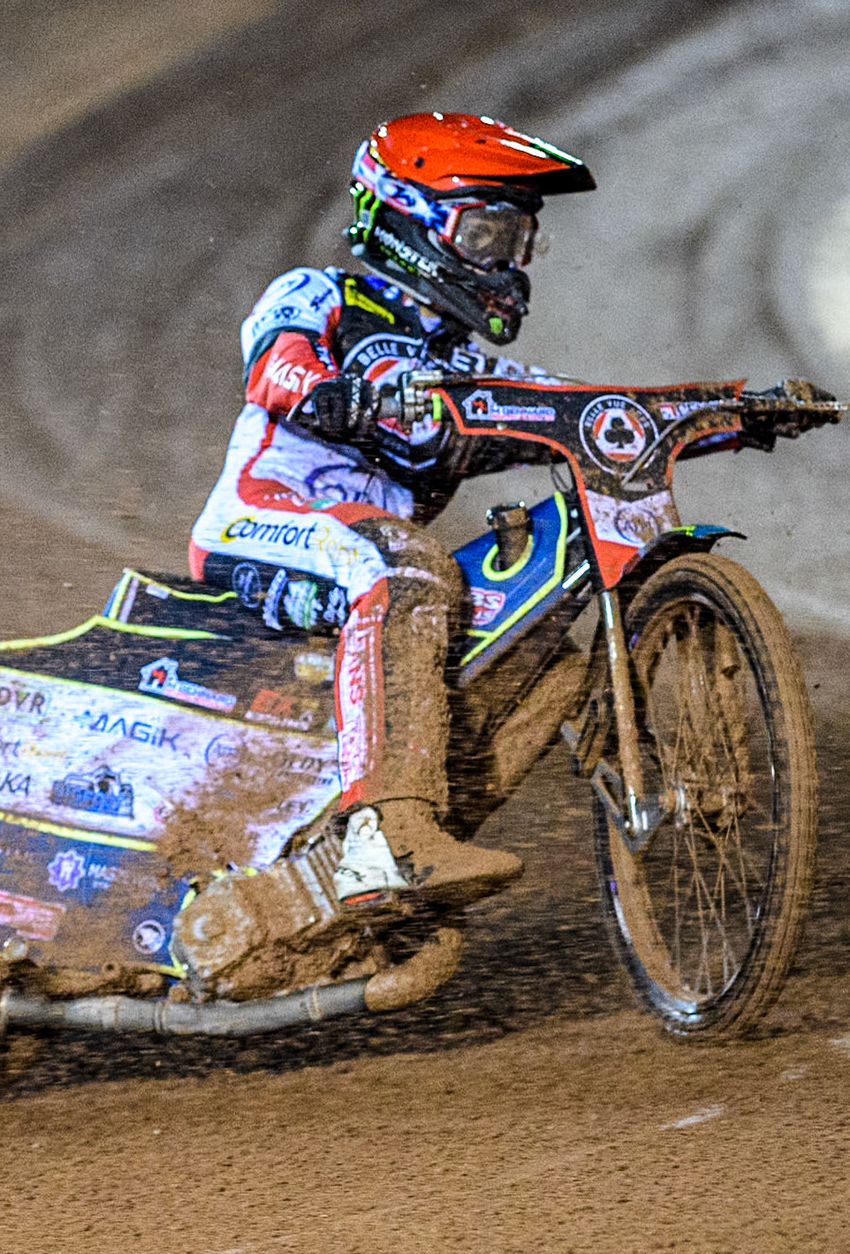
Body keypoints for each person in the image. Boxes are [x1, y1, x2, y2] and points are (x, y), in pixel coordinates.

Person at [188, 112, 596, 905]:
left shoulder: (467, 368)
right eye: (486, 238)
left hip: (369, 561)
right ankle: (387, 836)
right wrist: (331, 392)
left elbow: (587, 408)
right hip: (261, 524)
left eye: (518, 243)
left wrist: (730, 411)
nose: (507, 265)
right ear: (413, 222)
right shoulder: (318, 294)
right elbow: (275, 366)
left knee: (544, 655)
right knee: (406, 565)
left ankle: (394, 847)